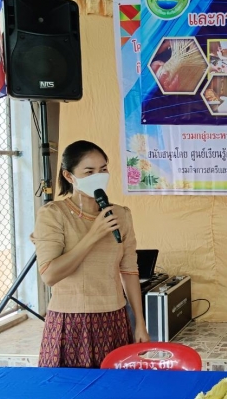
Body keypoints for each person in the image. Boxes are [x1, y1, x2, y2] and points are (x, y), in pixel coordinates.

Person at [31, 140, 149, 367]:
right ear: (69, 176)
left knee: (114, 387)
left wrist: (140, 323)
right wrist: (94, 235)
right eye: (89, 172)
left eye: (103, 169)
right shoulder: (53, 214)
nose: (99, 176)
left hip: (114, 318)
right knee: (68, 388)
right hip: (70, 322)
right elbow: (50, 275)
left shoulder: (121, 215)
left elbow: (129, 271)